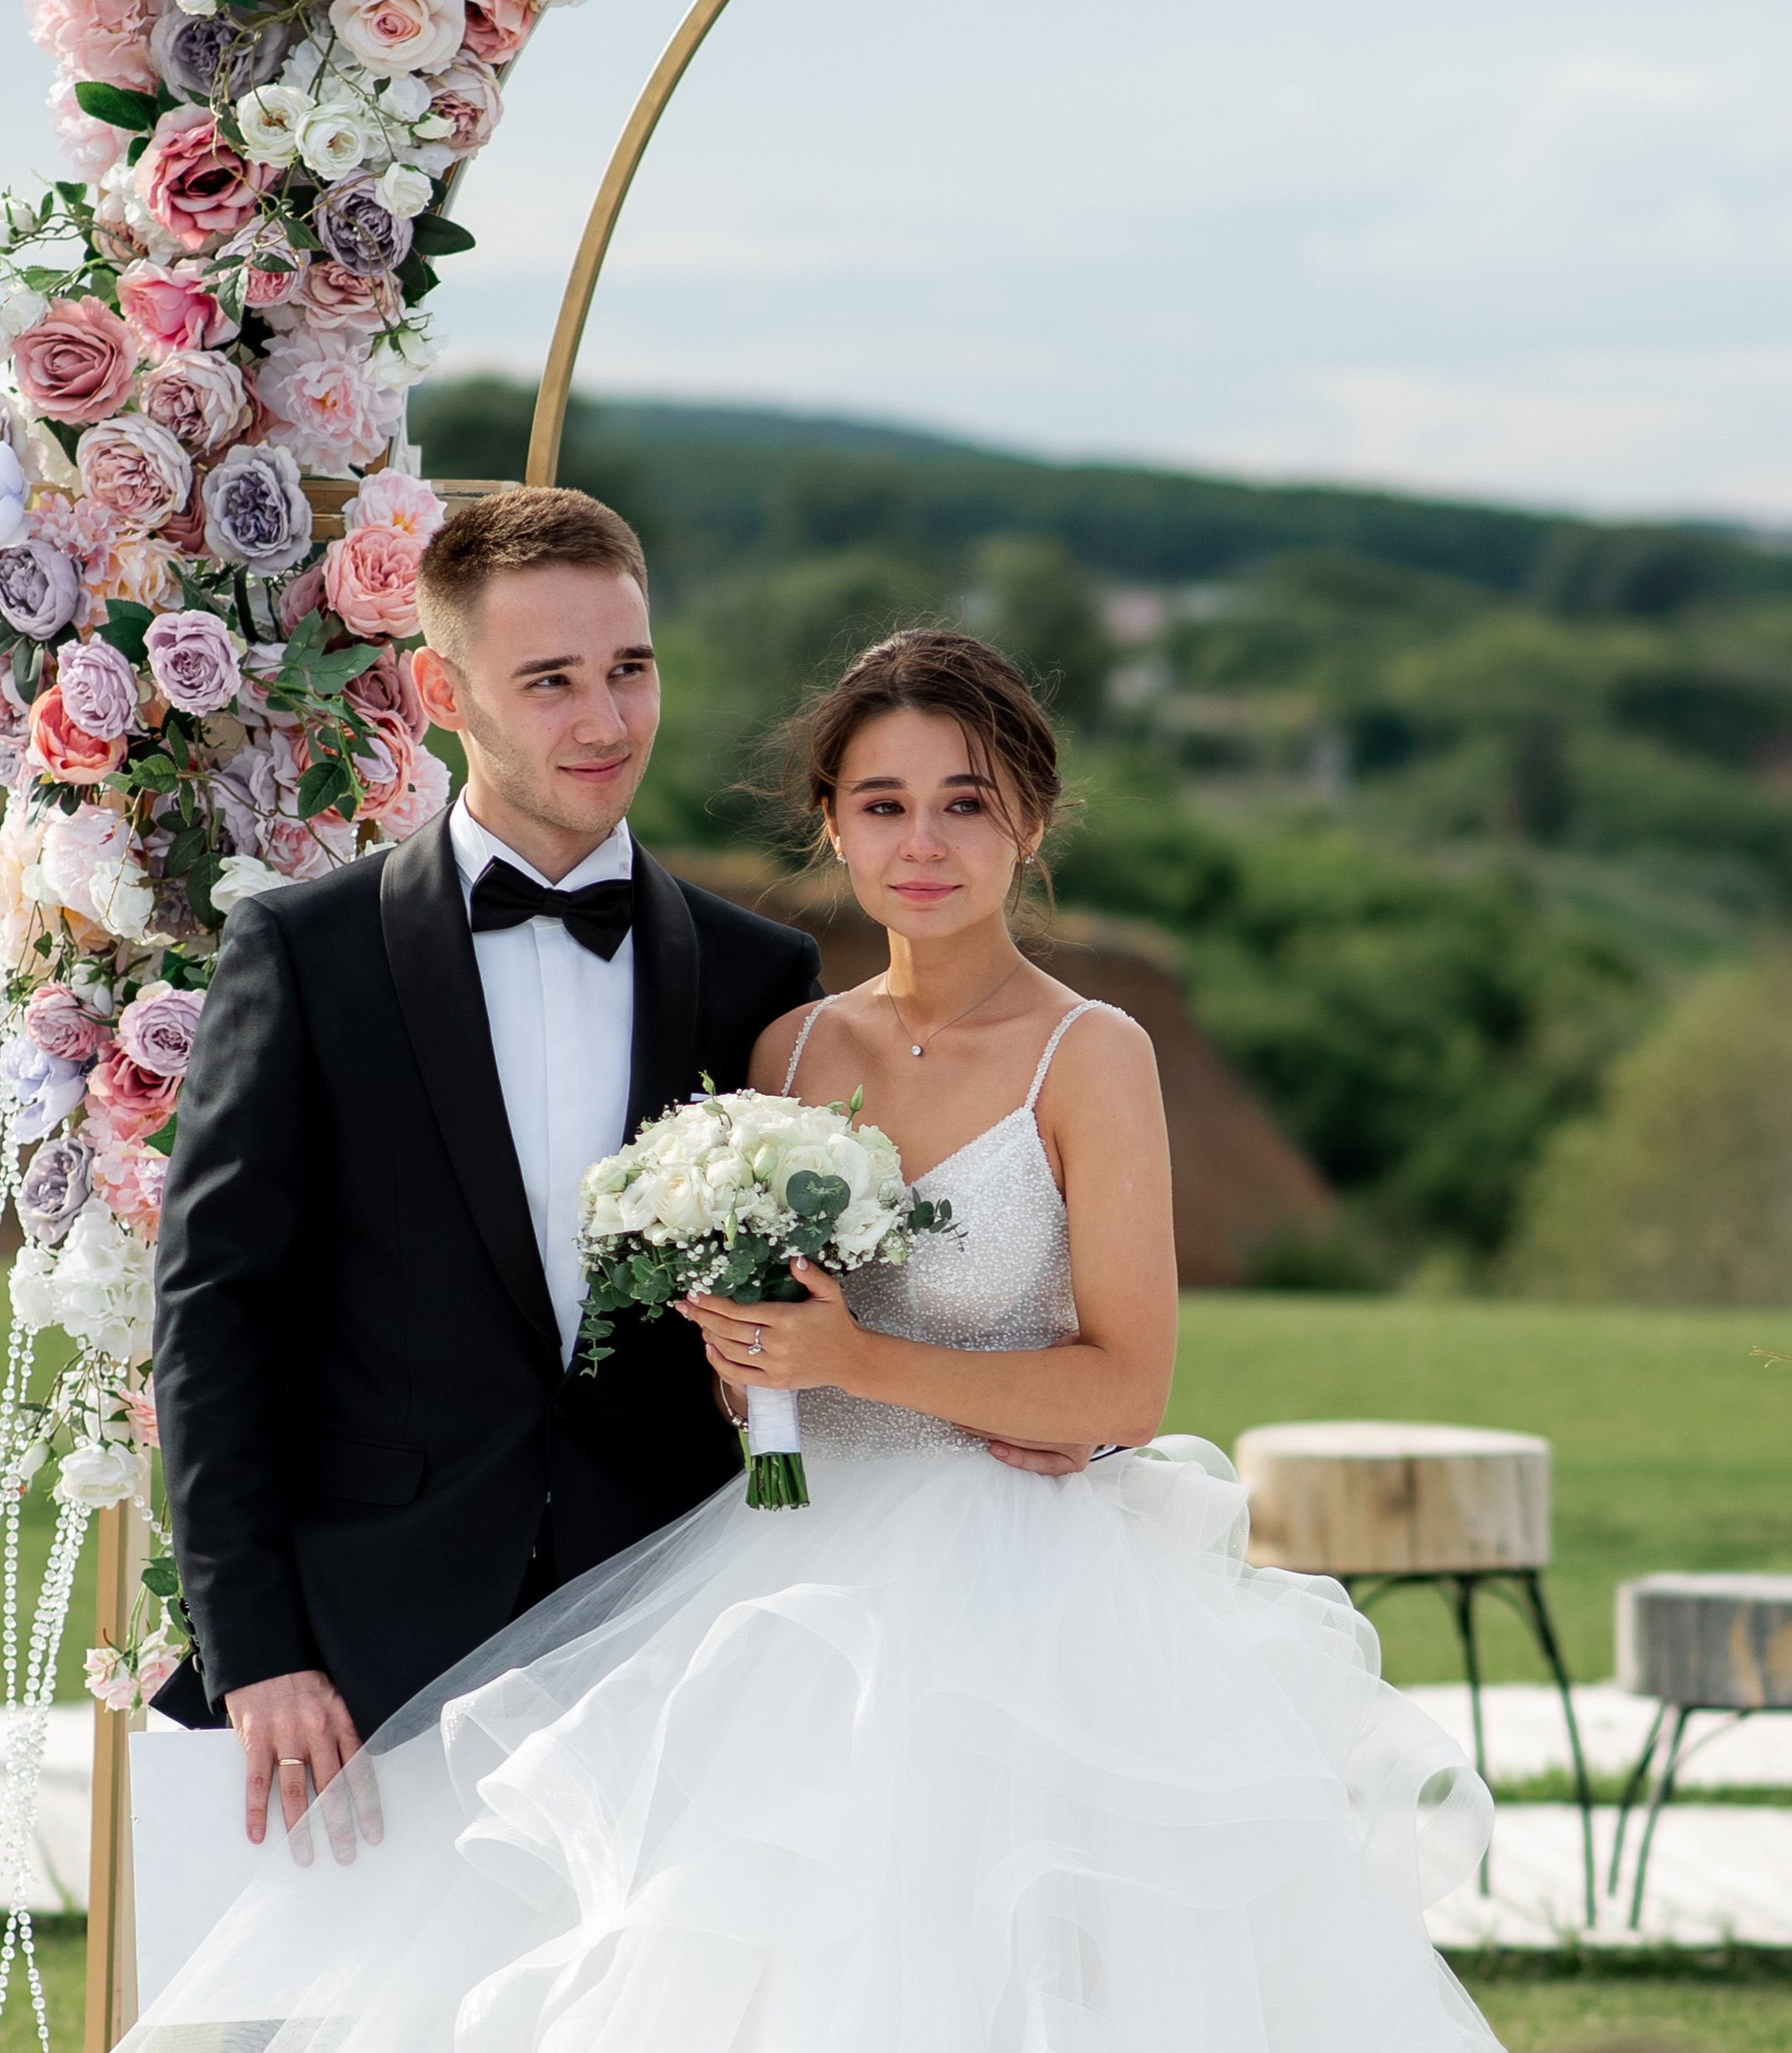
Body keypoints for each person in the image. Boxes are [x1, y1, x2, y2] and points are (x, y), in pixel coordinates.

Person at [129, 625, 1499, 2053]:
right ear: (831, 825)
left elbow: (1126, 1387)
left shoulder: (1091, 1053)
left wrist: (856, 1365)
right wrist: (745, 1371)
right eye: (883, 804)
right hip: (776, 1582)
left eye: (966, 801)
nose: (925, 843)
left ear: (1029, 823)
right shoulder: (786, 1051)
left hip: (1022, 1604)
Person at [150, 485, 831, 1837]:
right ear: (439, 689)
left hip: (673, 1630)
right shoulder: (307, 955)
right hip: (372, 1652)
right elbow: (216, 1313)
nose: (604, 722)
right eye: (551, 681)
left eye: (630, 670)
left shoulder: (763, 975)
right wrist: (259, 1646)